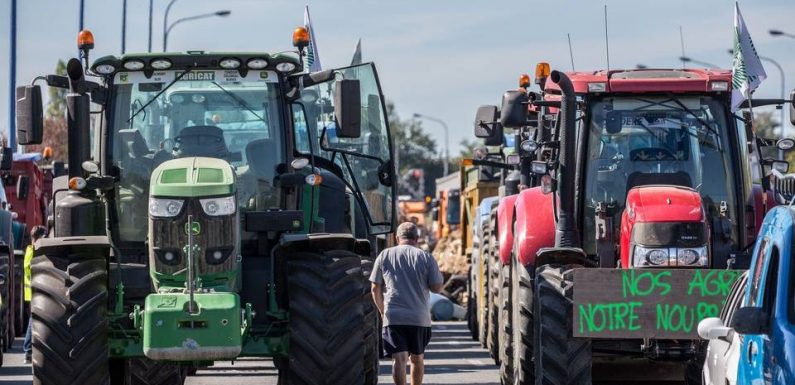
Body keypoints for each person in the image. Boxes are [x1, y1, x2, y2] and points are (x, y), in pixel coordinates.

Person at [370, 222, 444, 385]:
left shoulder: (384, 255)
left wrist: (382, 312)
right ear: (416, 238)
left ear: (397, 238)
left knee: (399, 359)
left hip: (394, 316)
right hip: (419, 317)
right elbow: (437, 288)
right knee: (417, 359)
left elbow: (375, 287)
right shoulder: (425, 257)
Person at [23, 226, 46, 364]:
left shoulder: (32, 251)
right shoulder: (31, 251)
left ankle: (28, 351)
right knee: (33, 321)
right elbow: (28, 268)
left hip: (34, 290)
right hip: (33, 291)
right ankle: (27, 351)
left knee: (33, 321)